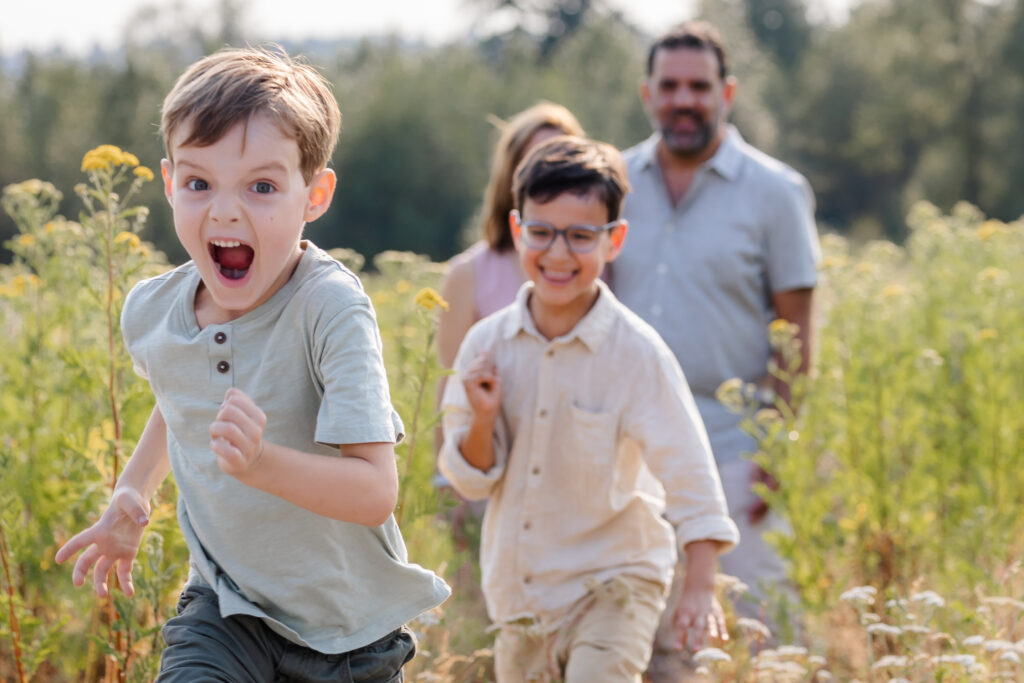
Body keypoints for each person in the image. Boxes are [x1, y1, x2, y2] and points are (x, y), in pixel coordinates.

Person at [54, 46, 450, 681]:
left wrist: (263, 465)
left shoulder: (329, 307)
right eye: (199, 183)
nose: (227, 210)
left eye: (262, 186)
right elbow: (178, 399)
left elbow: (375, 492)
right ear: (168, 183)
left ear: (314, 194)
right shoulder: (152, 310)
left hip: (346, 633)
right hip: (226, 608)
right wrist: (133, 491)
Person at [439, 135, 739, 683]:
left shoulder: (637, 353)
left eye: (580, 236)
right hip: (523, 592)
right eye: (542, 232)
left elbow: (688, 466)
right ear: (516, 229)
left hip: (616, 583)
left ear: (614, 240)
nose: (558, 253)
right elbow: (472, 480)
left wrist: (699, 583)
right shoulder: (487, 345)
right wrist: (483, 417)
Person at [608, 20, 820, 678]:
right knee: (649, 633)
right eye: (669, 86)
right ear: (648, 94)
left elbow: (797, 333)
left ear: (726, 92)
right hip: (631, 449)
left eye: (699, 86)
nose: (684, 99)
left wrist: (777, 448)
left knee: (761, 627)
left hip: (737, 445)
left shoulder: (775, 192)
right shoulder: (614, 179)